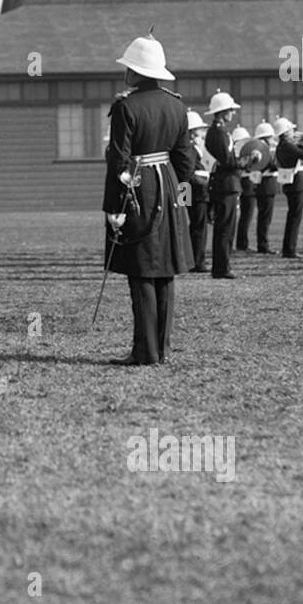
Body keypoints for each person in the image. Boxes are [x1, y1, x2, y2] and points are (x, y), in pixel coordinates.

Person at [101, 32, 194, 366]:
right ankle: (163, 350)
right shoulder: (178, 106)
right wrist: (182, 204)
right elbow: (187, 162)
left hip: (138, 187)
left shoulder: (126, 107)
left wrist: (114, 209)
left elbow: (118, 161)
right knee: (165, 271)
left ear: (134, 73)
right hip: (169, 188)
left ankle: (145, 352)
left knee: (141, 272)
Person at [204, 90, 258, 280]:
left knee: (225, 228)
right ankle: (221, 268)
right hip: (225, 185)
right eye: (230, 110)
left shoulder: (219, 131)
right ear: (222, 111)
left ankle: (222, 266)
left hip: (225, 184)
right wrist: (248, 160)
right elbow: (228, 161)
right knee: (225, 228)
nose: (233, 113)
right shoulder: (219, 133)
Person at [274, 117, 303, 259]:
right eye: (291, 130)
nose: (293, 132)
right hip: (296, 184)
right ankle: (290, 249)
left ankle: (288, 248)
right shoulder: (287, 146)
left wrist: (301, 143)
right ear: (285, 132)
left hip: (290, 183)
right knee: (295, 217)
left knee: (293, 216)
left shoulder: (282, 146)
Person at [186, 110, 211, 272]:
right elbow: (189, 174)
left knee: (193, 226)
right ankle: (197, 262)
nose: (202, 132)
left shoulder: (190, 148)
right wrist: (205, 181)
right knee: (198, 227)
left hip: (189, 191)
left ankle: (193, 260)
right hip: (196, 192)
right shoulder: (190, 149)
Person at [252, 120, 279, 254]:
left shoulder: (260, 149)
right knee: (265, 217)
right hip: (266, 186)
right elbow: (271, 165)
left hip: (265, 185)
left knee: (264, 217)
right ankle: (263, 245)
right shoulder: (262, 150)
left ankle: (262, 244)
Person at [234, 125, 255, 252]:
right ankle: (242, 244)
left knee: (246, 215)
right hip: (244, 184)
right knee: (246, 215)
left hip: (244, 183)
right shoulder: (238, 153)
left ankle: (242, 243)